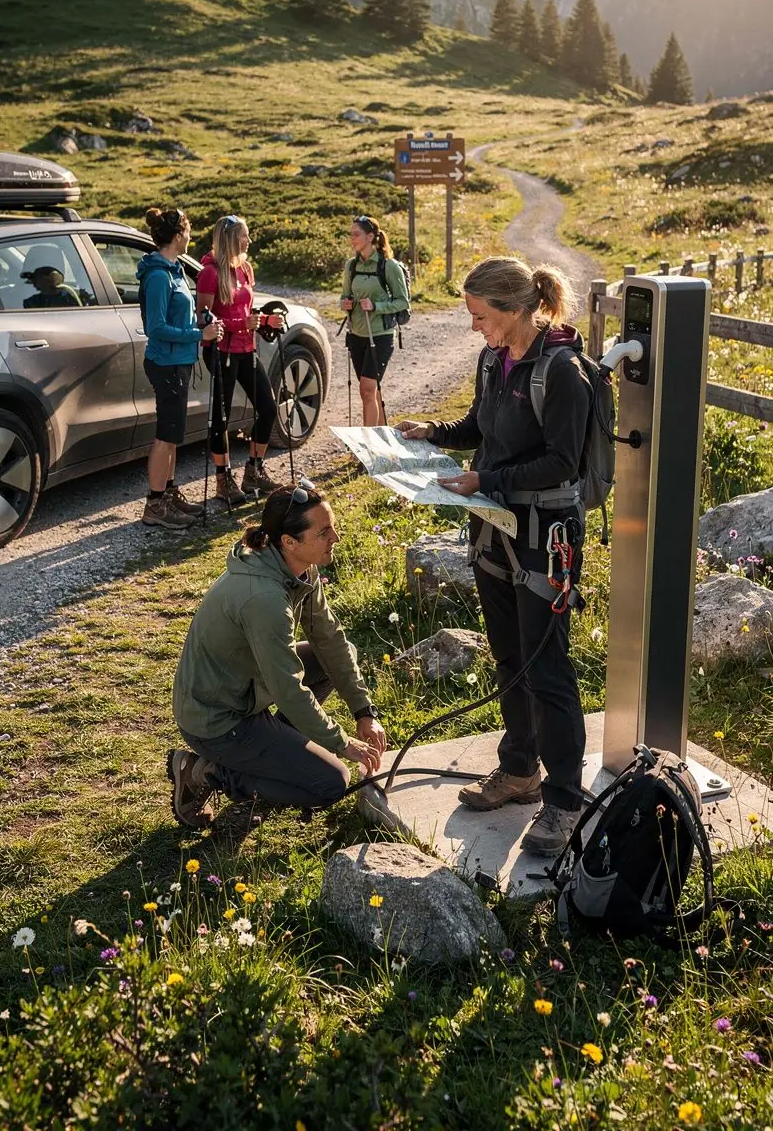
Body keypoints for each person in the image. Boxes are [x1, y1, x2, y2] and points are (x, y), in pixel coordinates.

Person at [398, 257, 592, 857]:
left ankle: (564, 801)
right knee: (510, 656)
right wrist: (432, 432)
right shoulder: (494, 359)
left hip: (545, 536)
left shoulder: (562, 372)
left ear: (513, 310)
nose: (475, 329)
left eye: (481, 317)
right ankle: (519, 770)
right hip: (495, 530)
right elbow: (481, 425)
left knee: (548, 669)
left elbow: (564, 462)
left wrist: (485, 480)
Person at [167, 485, 386, 828]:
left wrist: (364, 711)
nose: (336, 537)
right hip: (217, 722)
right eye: (324, 531)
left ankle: (278, 749)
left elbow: (330, 639)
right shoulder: (264, 599)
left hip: (248, 695)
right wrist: (342, 743)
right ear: (289, 541)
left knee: (331, 657)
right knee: (330, 782)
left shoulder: (300, 568)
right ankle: (204, 772)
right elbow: (288, 689)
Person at [137, 206, 222, 530]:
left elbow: (175, 317)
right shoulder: (159, 276)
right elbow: (155, 327)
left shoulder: (172, 270)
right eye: (186, 230)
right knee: (166, 434)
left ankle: (169, 494)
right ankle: (155, 504)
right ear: (176, 236)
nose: (190, 236)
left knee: (173, 434)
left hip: (178, 361)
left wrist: (199, 321)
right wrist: (198, 334)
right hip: (166, 363)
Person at [196, 214, 281, 506]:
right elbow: (204, 319)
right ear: (232, 238)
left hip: (246, 349)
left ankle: (253, 471)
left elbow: (244, 308)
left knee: (268, 408)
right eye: (245, 236)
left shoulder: (245, 268)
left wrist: (265, 320)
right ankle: (223, 480)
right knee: (222, 417)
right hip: (221, 351)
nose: (249, 240)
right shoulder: (210, 272)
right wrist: (240, 324)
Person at [341, 215, 409, 426]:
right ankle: (381, 434)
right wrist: (345, 303)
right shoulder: (351, 266)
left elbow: (403, 302)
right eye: (351, 234)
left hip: (380, 335)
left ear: (370, 236)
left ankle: (368, 448)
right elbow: (344, 295)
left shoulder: (389, 266)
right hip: (356, 334)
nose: (352, 238)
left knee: (367, 389)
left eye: (356, 234)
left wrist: (376, 307)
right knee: (371, 389)